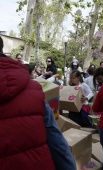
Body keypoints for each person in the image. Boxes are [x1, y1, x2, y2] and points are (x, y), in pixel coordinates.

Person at [0, 36, 76, 170]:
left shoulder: (37, 86)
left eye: (48, 60)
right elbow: (57, 142)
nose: (48, 62)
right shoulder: (34, 90)